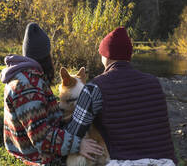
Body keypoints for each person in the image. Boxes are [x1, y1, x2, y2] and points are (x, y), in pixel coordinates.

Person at [66, 27, 178, 166]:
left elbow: (73, 132)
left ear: (105, 56)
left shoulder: (94, 87)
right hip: (166, 162)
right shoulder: (154, 83)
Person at [1, 22, 103, 166]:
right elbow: (41, 137)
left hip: (38, 150)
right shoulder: (28, 86)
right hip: (38, 158)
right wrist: (78, 144)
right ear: (46, 56)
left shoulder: (30, 78)